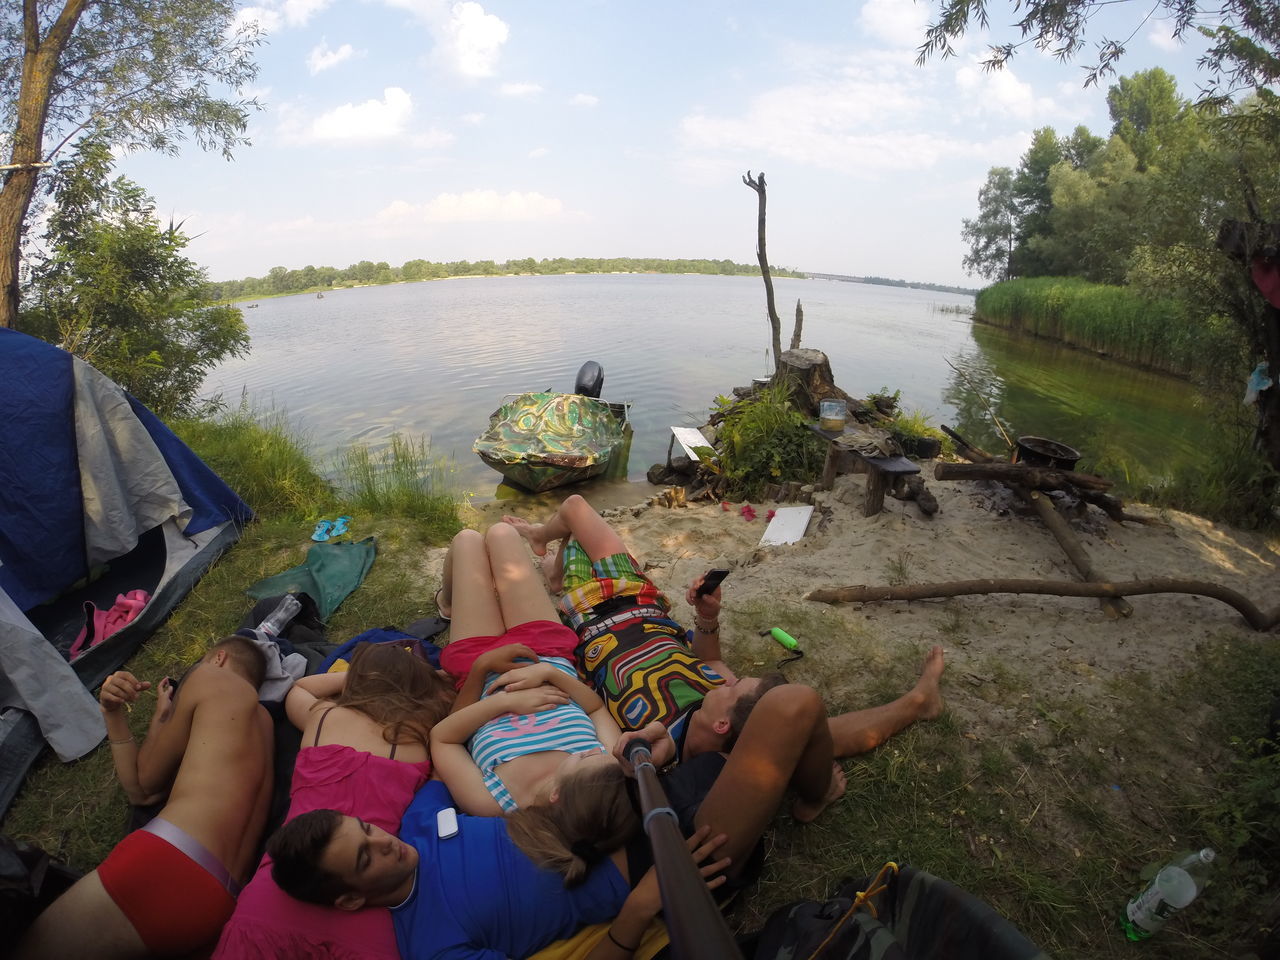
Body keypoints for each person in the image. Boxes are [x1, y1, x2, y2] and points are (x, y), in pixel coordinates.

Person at [499, 494, 944, 776]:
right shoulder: (730, 709)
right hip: (639, 598)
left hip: (588, 613)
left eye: (732, 688)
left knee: (574, 527)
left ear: (722, 724)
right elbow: (711, 664)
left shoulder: (651, 747)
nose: (729, 679)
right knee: (575, 510)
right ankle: (546, 549)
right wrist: (707, 617)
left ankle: (547, 556)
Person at [267, 766, 731, 960]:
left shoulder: (419, 823)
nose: (384, 841)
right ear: (350, 899)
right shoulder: (434, 946)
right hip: (656, 869)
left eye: (366, 828)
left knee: (719, 748)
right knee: (781, 717)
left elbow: (445, 763)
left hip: (617, 804)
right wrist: (641, 907)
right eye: (366, 857)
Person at [16, 637, 273, 960]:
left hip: (166, 864)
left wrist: (125, 715)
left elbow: (143, 787)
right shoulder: (264, 723)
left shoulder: (210, 676)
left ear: (218, 658)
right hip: (223, 900)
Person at [212, 641, 455, 960]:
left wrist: (356, 679)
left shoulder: (324, 715)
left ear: (356, 680)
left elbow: (299, 687)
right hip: (367, 882)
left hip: (284, 878)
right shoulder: (419, 737)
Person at [430, 524, 624, 815]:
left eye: (585, 756)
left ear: (556, 794)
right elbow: (595, 708)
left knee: (467, 540)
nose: (592, 751)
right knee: (502, 533)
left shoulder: (492, 802)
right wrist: (550, 674)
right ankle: (449, 601)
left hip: (478, 666)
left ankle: (448, 603)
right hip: (545, 654)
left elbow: (443, 738)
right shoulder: (606, 769)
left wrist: (493, 686)